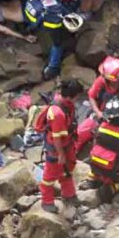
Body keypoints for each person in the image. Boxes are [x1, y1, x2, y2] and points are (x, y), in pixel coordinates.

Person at [34, 79, 83, 213]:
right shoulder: (57, 113)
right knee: (50, 174)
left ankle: (68, 194)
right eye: (77, 96)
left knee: (68, 169)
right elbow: (56, 137)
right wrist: (61, 154)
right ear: (70, 96)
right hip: (57, 147)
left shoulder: (67, 105)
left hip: (67, 142)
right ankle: (47, 201)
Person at [76, 56, 119, 149]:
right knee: (80, 134)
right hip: (101, 114)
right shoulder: (101, 81)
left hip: (118, 118)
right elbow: (91, 96)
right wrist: (98, 112)